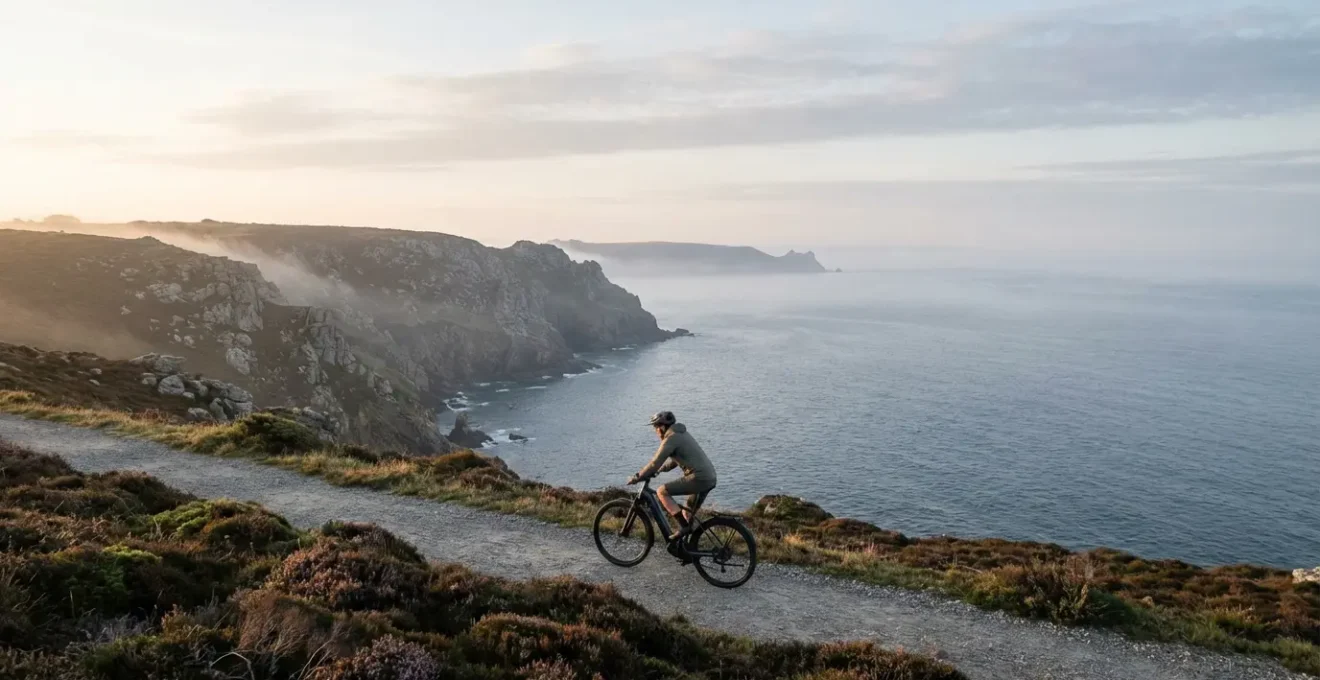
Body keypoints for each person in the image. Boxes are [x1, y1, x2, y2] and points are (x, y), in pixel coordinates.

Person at [627, 411, 717, 541]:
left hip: (699, 478)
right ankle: (688, 549)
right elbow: (677, 459)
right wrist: (662, 469)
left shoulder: (671, 438)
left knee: (662, 491)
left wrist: (637, 477)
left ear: (662, 427)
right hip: (709, 477)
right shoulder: (681, 434)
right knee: (687, 513)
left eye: (655, 428)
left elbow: (654, 463)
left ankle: (683, 527)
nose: (655, 432)